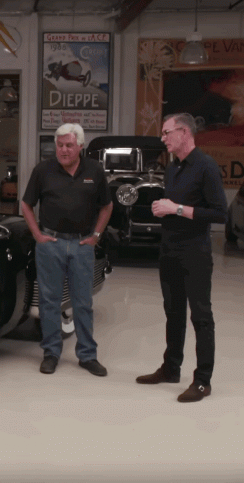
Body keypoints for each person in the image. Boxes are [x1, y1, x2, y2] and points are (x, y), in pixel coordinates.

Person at [137, 112, 227, 402]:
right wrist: (162, 208)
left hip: (195, 252)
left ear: (185, 133)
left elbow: (219, 213)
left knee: (201, 315)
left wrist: (175, 209)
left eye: (166, 132)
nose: (162, 138)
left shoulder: (206, 166)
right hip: (170, 250)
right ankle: (170, 368)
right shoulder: (173, 168)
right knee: (173, 312)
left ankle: (202, 381)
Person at [20, 123, 113, 376]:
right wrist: (37, 235)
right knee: (49, 302)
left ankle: (87, 355)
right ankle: (51, 353)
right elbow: (26, 204)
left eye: (69, 145)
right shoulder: (43, 170)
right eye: (59, 145)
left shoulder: (94, 170)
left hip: (83, 245)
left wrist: (96, 235)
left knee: (83, 302)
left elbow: (107, 206)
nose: (63, 150)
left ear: (80, 146)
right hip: (51, 244)